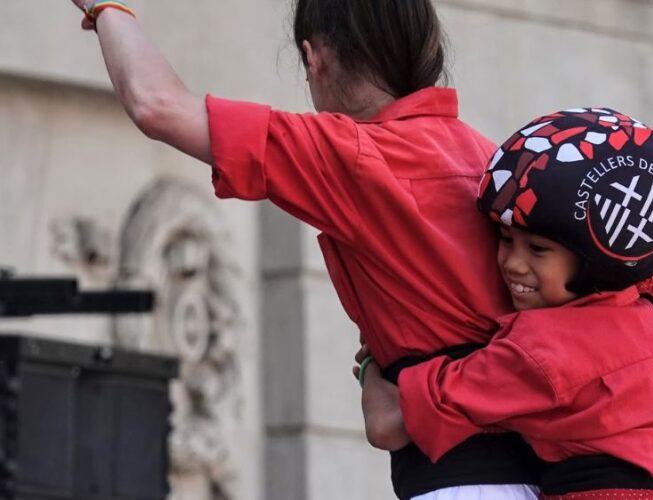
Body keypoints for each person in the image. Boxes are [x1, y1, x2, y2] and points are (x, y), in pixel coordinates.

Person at [69, 0, 542, 498]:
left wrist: (106, 7)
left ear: (313, 57)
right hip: (544, 475)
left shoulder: (352, 154)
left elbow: (156, 104)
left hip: (460, 483)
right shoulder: (493, 158)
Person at [357, 108, 653, 499]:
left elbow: (386, 425)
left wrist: (374, 362)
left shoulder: (544, 353)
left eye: (538, 249)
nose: (513, 263)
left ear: (595, 263)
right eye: (505, 239)